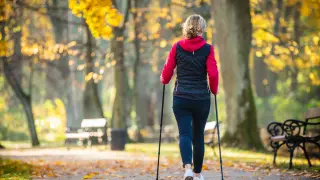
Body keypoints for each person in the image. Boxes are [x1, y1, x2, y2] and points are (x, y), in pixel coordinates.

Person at [160, 14, 219, 180]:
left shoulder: (177, 47)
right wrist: (214, 90)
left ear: (186, 27)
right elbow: (213, 74)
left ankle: (187, 168)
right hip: (201, 98)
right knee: (198, 135)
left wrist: (164, 79)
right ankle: (197, 173)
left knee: (184, 133)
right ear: (202, 28)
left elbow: (167, 72)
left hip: (181, 97)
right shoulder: (208, 48)